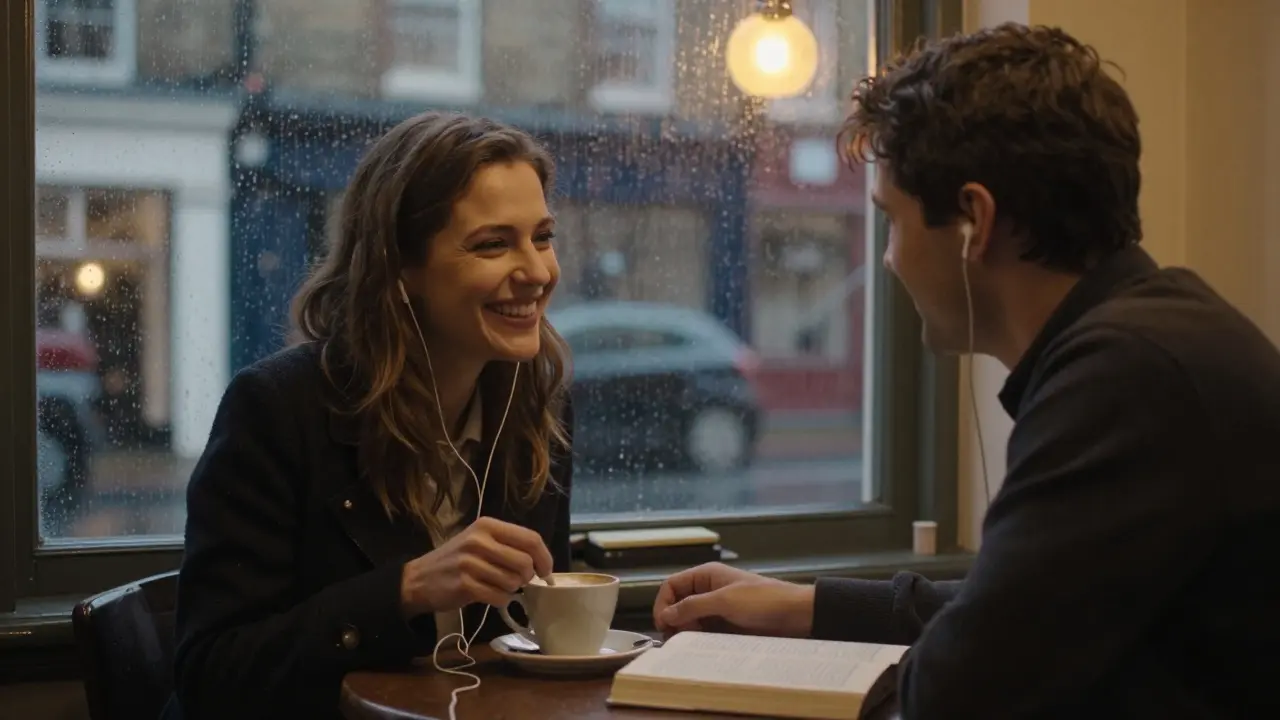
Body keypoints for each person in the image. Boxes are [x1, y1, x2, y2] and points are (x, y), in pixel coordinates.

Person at [654, 23, 1280, 719]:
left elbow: (953, 695)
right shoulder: (1156, 335)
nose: (888, 260)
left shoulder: (1126, 381)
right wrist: (802, 603)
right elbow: (1019, 605)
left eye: (891, 221)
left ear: (974, 222)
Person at [162, 112, 575, 719]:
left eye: (542, 236)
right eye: (493, 243)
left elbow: (531, 637)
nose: (538, 272)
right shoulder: (277, 409)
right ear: (399, 269)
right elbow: (212, 673)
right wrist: (404, 591)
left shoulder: (540, 403)